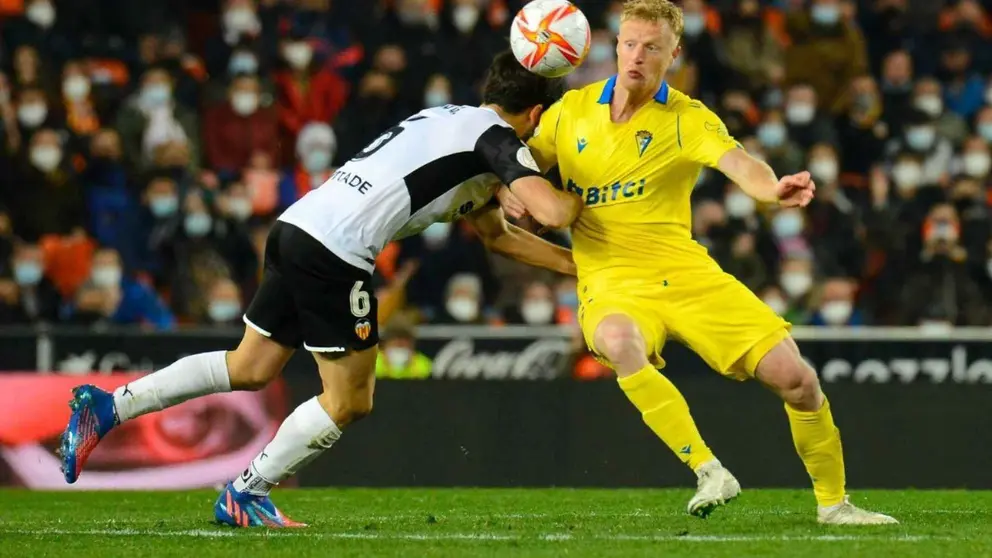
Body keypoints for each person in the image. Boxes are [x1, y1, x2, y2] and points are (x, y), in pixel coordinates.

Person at [58, 51, 581, 527]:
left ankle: (109, 407)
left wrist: (579, 266)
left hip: (299, 226)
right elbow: (554, 211)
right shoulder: (496, 139)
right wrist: (593, 191)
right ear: (537, 114)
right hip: (338, 249)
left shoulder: (451, 121)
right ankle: (246, 491)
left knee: (250, 366)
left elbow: (498, 237)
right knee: (350, 399)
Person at [516, 0, 896, 525]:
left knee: (798, 380)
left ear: (674, 54)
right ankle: (708, 469)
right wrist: (510, 196)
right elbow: (520, 169)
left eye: (652, 48)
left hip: (687, 275)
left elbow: (741, 164)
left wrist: (772, 189)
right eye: (630, 44)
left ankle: (834, 505)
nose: (637, 56)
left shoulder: (687, 118)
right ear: (615, 45)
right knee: (621, 343)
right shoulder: (569, 112)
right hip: (611, 280)